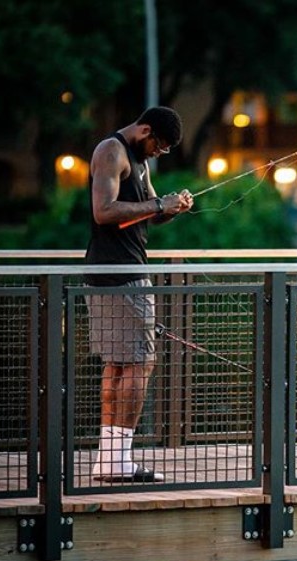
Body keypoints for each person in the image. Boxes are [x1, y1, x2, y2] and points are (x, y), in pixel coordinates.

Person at [84, 107, 193, 482]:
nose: (158, 153)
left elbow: (148, 210)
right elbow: (104, 211)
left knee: (118, 364)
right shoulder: (111, 151)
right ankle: (118, 461)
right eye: (158, 146)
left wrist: (171, 208)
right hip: (122, 272)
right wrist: (158, 205)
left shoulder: (138, 159)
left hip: (115, 272)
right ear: (145, 129)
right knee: (138, 364)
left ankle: (109, 461)